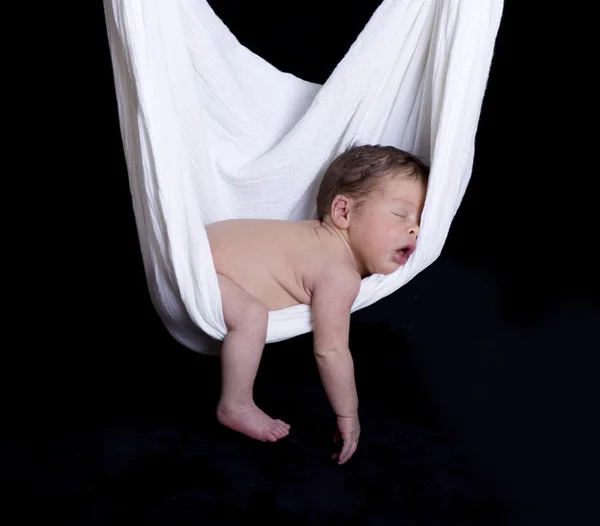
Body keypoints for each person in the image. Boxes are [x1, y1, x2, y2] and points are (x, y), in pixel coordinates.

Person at [205, 144, 429, 464]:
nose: (415, 229)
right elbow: (331, 350)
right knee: (252, 315)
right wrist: (348, 413)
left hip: (198, 249)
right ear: (343, 212)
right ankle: (235, 403)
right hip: (203, 271)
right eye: (400, 214)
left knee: (251, 311)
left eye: (420, 221)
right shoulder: (339, 273)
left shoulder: (311, 238)